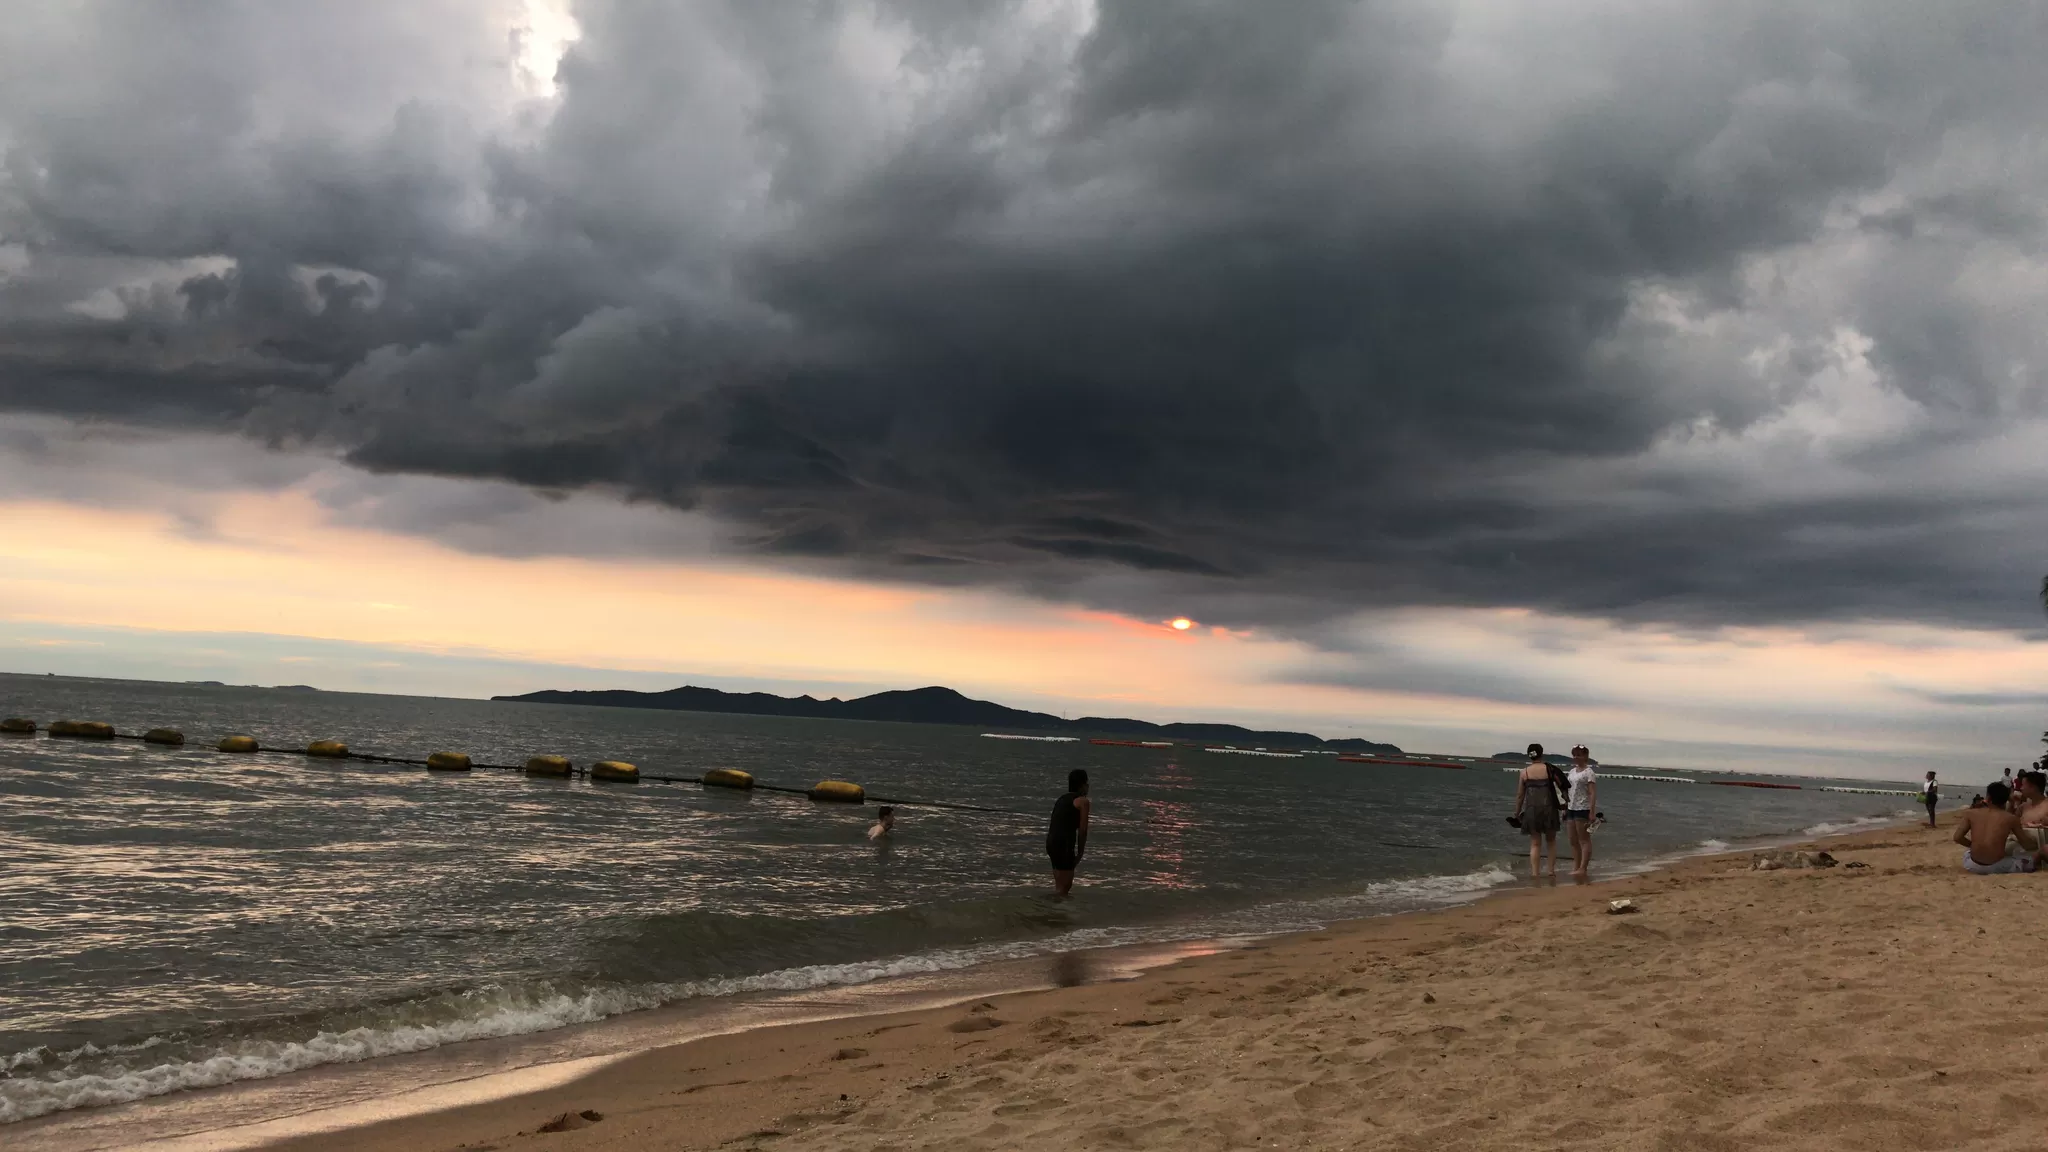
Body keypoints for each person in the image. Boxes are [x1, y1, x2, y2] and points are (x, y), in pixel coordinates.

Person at [1954, 782, 2038, 874]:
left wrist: (1974, 846)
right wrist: (2037, 843)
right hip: (1997, 866)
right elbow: (2027, 845)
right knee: (2028, 861)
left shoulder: (1970, 813)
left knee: (1967, 853)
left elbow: (1957, 838)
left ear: (1988, 798)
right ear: (2007, 799)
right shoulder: (2011, 818)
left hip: (1972, 865)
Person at [1513, 743, 1561, 880]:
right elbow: (1559, 790)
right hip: (1549, 808)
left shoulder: (1524, 772)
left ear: (1529, 755)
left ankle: (1535, 873)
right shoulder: (1549, 769)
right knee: (1551, 841)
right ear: (1542, 754)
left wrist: (1516, 813)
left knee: (1535, 843)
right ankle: (1551, 871)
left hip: (1532, 810)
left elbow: (1520, 795)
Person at [1046, 769, 1091, 896]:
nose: (1088, 786)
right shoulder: (1083, 802)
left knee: (1059, 886)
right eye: (1087, 783)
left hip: (1051, 842)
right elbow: (1083, 830)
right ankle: (1055, 911)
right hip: (1063, 843)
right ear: (1082, 785)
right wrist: (1080, 852)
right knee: (1065, 887)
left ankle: (1053, 911)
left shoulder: (1062, 799)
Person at [1565, 745, 1599, 879]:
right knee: (1572, 840)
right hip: (1570, 807)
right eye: (1574, 755)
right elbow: (1568, 790)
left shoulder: (1589, 772)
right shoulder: (1572, 771)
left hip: (1582, 808)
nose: (1576, 757)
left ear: (1585, 756)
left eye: (1579, 755)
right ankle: (1576, 866)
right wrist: (1564, 806)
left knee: (1584, 840)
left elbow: (1592, 793)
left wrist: (1592, 811)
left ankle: (1583, 868)